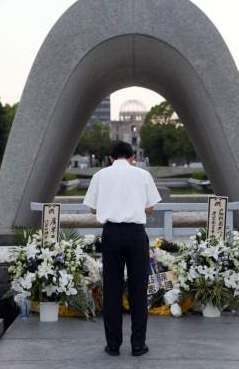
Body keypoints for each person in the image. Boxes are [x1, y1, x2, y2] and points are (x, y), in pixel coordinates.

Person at [84, 141, 161, 357]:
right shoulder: (142, 175)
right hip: (136, 234)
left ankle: (113, 346)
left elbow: (92, 209)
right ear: (131, 156)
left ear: (110, 157)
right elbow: (150, 207)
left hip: (111, 234)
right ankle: (138, 345)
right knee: (138, 289)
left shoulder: (100, 175)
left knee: (113, 289)